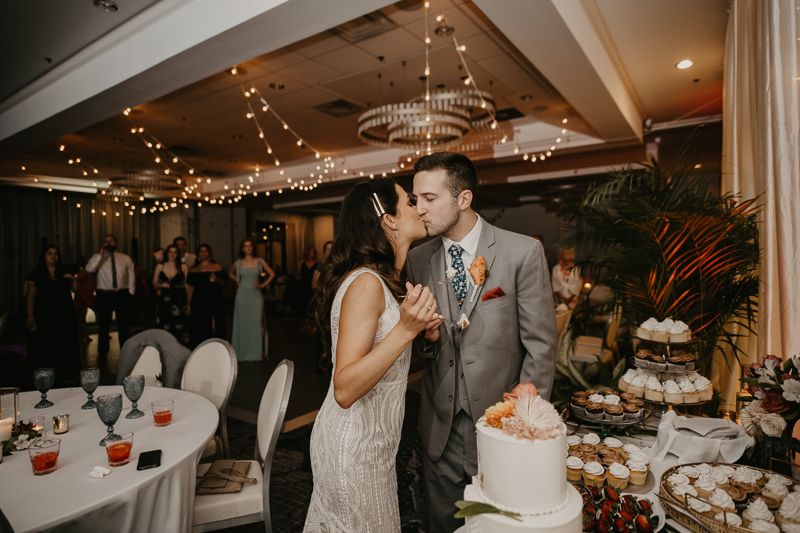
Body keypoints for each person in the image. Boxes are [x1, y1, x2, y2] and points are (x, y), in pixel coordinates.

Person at [407, 152, 557, 533]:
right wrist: (426, 339)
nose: (419, 209)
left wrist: (523, 424)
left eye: (429, 198)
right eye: (415, 199)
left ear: (463, 199)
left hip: (501, 426)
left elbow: (540, 347)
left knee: (498, 523)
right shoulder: (418, 259)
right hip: (439, 426)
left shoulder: (521, 252)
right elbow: (421, 346)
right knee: (442, 524)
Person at [303, 178, 435, 532]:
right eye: (410, 202)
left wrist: (420, 332)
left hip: (374, 445)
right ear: (388, 220)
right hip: (353, 447)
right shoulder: (365, 283)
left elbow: (380, 352)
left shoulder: (385, 279)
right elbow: (344, 388)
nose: (420, 207)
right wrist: (406, 330)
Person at [25, 245, 81, 373]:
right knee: (46, 343)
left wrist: (73, 279)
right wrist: (30, 315)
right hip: (45, 315)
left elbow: (76, 289)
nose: (53, 256)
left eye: (56, 253)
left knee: (65, 343)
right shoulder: (36, 273)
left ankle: (66, 370)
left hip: (64, 314)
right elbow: (31, 296)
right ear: (44, 256)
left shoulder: (64, 272)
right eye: (50, 253)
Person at [85, 234, 136, 366]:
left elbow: (131, 276)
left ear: (116, 243)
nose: (108, 243)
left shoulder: (125, 258)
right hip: (104, 295)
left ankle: (125, 353)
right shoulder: (97, 258)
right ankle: (102, 353)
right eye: (106, 241)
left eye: (111, 241)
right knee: (103, 326)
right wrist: (101, 255)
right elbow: (89, 269)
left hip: (122, 294)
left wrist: (131, 293)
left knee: (123, 326)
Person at [229, 238, 275, 361]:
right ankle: (244, 351)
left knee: (259, 322)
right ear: (242, 249)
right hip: (242, 295)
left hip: (255, 295)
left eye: (250, 246)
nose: (248, 248)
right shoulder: (239, 263)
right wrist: (237, 281)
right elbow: (230, 273)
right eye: (245, 246)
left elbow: (272, 273)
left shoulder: (260, 261)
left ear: (252, 248)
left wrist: (263, 285)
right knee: (243, 323)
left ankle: (260, 351)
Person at [186, 244, 227, 347]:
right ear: (198, 254)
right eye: (201, 251)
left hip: (214, 300)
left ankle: (217, 349)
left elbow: (224, 282)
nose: (204, 253)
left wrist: (217, 279)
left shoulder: (217, 267)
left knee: (215, 326)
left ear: (209, 253)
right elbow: (191, 288)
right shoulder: (194, 270)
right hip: (198, 301)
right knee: (199, 326)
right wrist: (188, 304)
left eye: (206, 251)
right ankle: (200, 350)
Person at [153, 244, 191, 346]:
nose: (172, 254)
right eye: (170, 252)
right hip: (164, 301)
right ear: (167, 253)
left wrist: (188, 303)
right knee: (164, 327)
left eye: (175, 252)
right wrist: (162, 285)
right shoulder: (160, 266)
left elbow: (187, 285)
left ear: (178, 254)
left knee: (180, 328)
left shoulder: (183, 266)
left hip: (179, 301)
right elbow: (154, 282)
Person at [73, 255, 96, 344]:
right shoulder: (87, 270)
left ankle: (83, 334)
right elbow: (78, 279)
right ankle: (84, 335)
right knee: (82, 316)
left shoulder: (93, 270)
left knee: (88, 314)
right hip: (82, 295)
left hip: (88, 295)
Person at [297, 246, 318, 319]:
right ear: (308, 253)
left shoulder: (318, 263)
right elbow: (299, 275)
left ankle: (311, 322)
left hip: (312, 286)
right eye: (311, 251)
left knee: (312, 304)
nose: (313, 253)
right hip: (303, 286)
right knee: (303, 304)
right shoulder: (302, 263)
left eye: (314, 251)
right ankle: (304, 322)